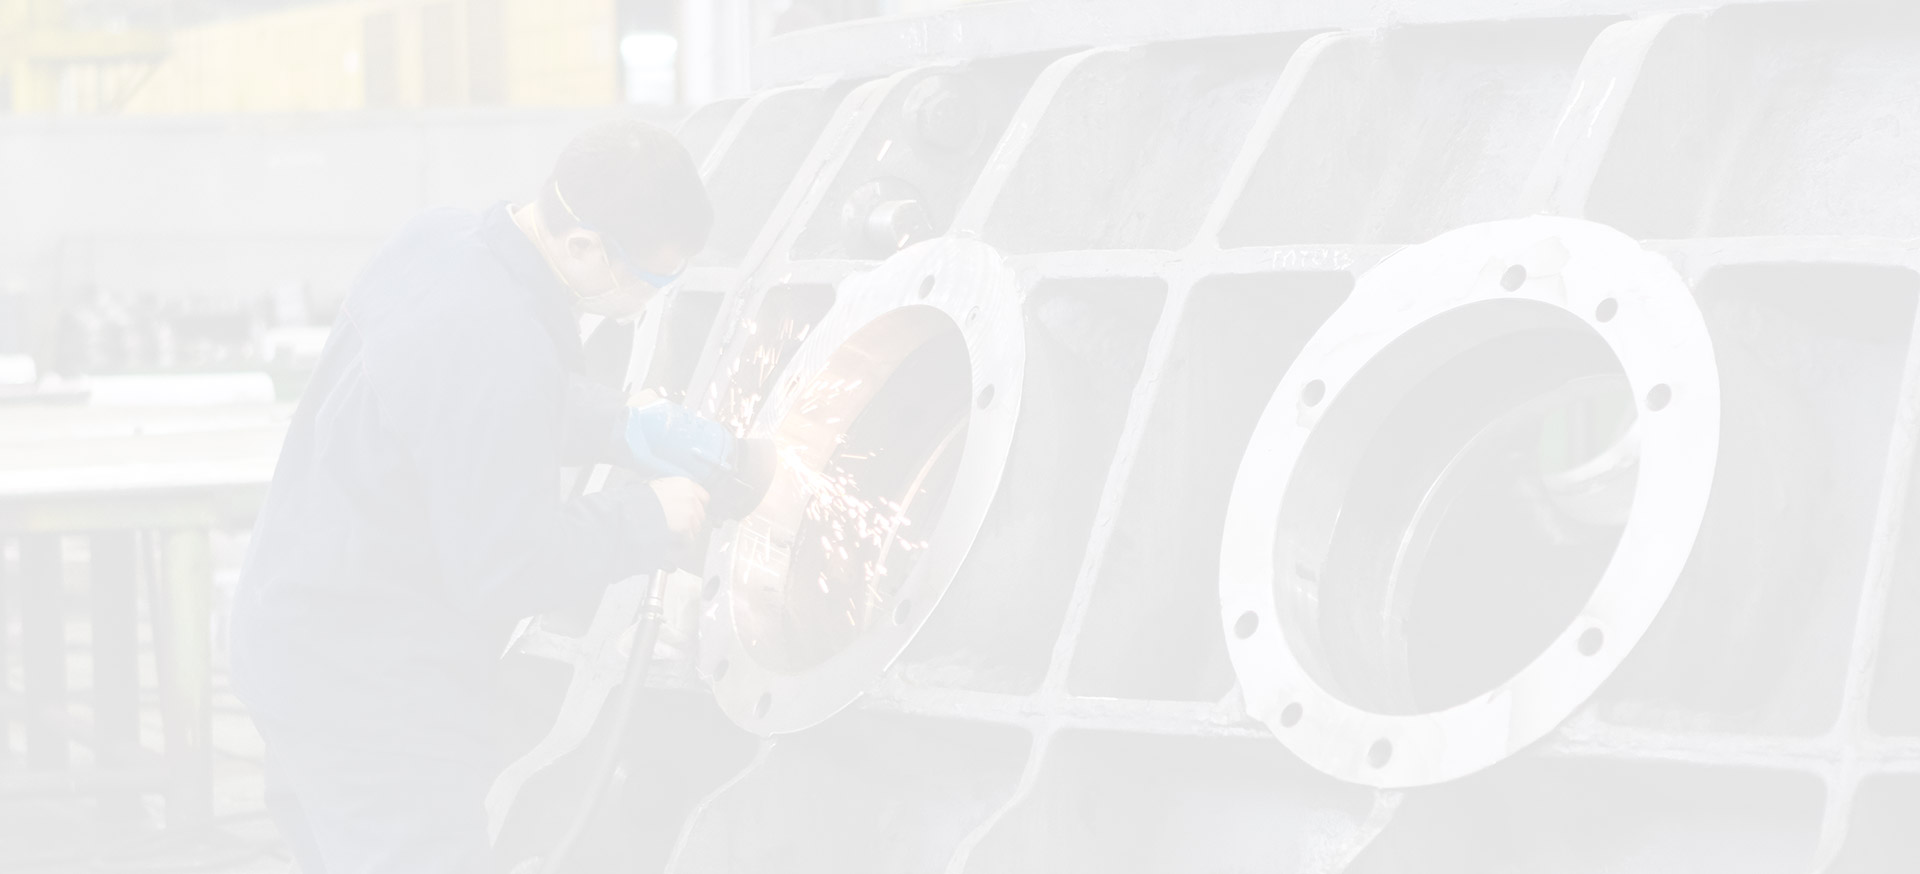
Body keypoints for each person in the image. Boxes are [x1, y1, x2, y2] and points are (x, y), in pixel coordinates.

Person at [230, 118, 714, 874]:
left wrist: (620, 424)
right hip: (373, 695)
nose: (646, 302)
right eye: (650, 281)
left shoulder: (440, 241)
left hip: (291, 635)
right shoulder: (501, 344)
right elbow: (504, 567)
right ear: (586, 246)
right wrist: (648, 517)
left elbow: (459, 396)